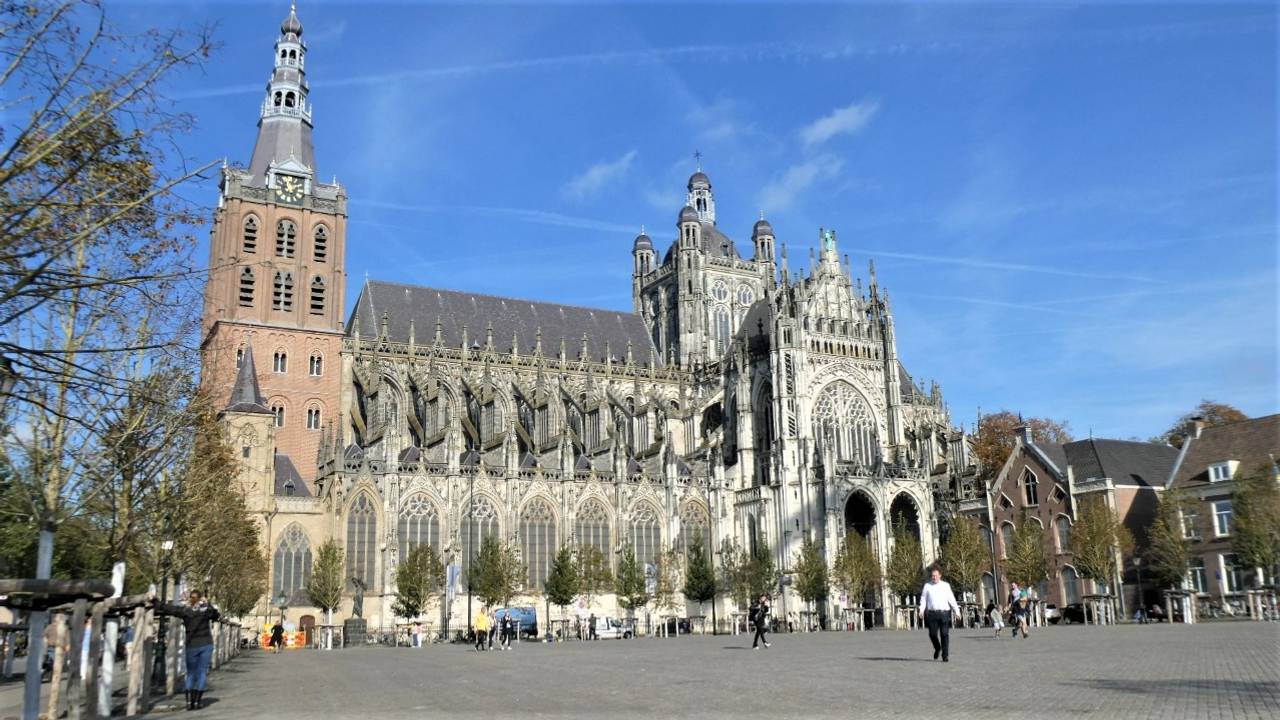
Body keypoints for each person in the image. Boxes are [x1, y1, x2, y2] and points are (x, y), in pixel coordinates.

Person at [154, 589, 221, 711]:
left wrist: (156, 602)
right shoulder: (205, 611)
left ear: (190, 598)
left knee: (190, 674)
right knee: (201, 673)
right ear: (200, 598)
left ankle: (189, 702)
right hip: (206, 644)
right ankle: (198, 702)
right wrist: (208, 603)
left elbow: (171, 609)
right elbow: (216, 615)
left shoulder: (186, 611)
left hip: (192, 645)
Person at [917, 566, 961, 662]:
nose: (934, 577)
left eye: (936, 575)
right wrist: (921, 610)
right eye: (933, 576)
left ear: (940, 576)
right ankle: (937, 647)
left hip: (944, 613)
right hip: (932, 613)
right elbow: (923, 599)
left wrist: (957, 611)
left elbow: (951, 599)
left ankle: (945, 655)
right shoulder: (927, 586)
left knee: (944, 634)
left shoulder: (945, 586)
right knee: (932, 634)